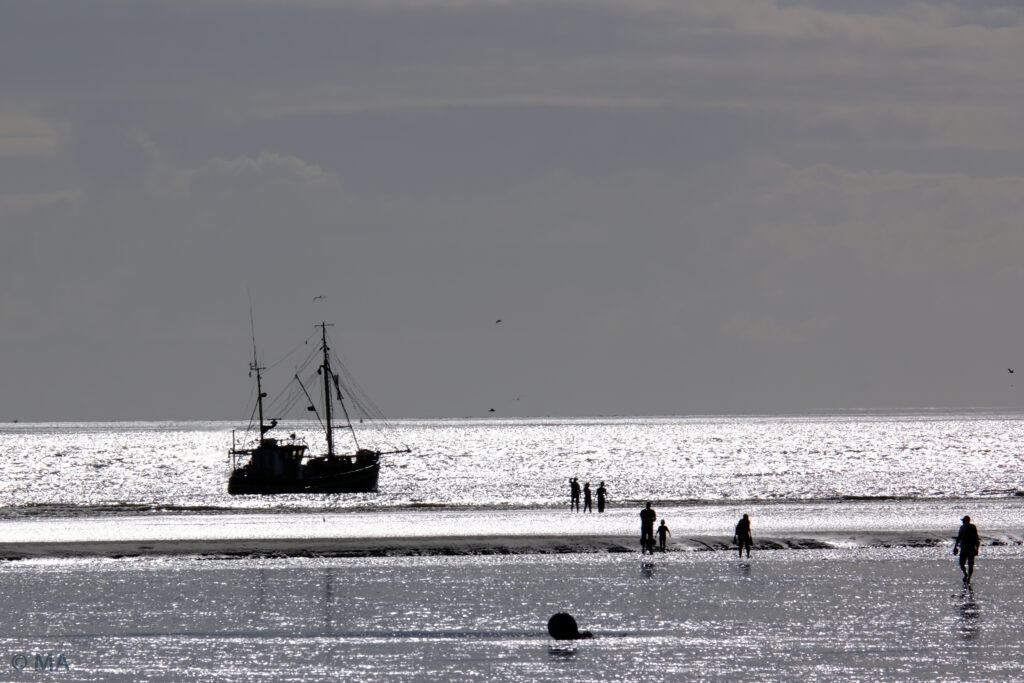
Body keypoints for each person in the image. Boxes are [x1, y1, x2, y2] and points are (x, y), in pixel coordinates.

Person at [953, 515, 980, 582]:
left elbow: (976, 538)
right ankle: (967, 576)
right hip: (966, 548)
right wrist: (956, 546)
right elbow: (959, 538)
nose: (963, 522)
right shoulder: (964, 527)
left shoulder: (970, 527)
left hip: (968, 548)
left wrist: (955, 546)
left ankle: (967, 576)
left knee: (968, 564)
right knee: (966, 563)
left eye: (963, 521)